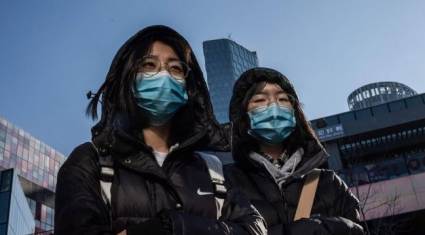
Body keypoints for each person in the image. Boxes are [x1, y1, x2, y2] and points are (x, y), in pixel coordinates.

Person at [54, 25, 266, 235]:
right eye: (148, 65)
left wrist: (178, 226)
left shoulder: (213, 170)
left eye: (175, 68)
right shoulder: (90, 161)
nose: (163, 76)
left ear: (188, 88)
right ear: (129, 79)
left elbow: (255, 228)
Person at [224, 67, 365, 235]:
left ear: (294, 113)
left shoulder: (329, 182)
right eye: (260, 100)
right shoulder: (226, 182)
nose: (274, 107)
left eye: (282, 99)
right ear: (243, 117)